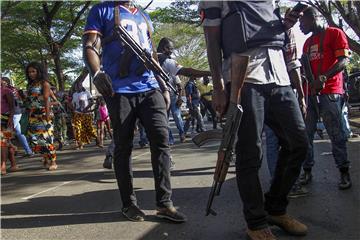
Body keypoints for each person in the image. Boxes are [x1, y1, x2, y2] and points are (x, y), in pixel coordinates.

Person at [199, 1, 309, 239]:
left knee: (298, 143)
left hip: (279, 76)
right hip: (244, 77)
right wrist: (218, 85)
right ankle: (256, 222)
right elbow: (212, 40)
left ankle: (275, 209)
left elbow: (274, 36)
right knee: (250, 153)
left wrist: (284, 25)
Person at [83, 0, 187, 223]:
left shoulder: (143, 15)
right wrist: (97, 73)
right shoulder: (102, 10)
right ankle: (129, 204)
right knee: (123, 146)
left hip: (150, 87)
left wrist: (162, 84)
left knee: (161, 140)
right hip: (118, 90)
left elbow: (152, 56)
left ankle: (164, 204)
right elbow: (90, 45)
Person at [299, 7, 351, 190]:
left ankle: (344, 172)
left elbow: (343, 61)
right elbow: (304, 67)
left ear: (313, 18)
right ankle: (307, 171)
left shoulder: (335, 33)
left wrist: (323, 78)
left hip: (330, 92)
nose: (300, 26)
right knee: (306, 134)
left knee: (336, 134)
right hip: (310, 95)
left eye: (302, 22)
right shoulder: (307, 43)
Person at [157, 37, 211, 143]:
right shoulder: (166, 61)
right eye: (171, 49)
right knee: (166, 121)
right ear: (165, 48)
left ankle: (168, 141)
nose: (172, 51)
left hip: (151, 95)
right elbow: (187, 71)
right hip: (163, 96)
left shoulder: (150, 57)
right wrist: (210, 72)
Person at [25, 62, 57, 171]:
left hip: (43, 115)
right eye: (29, 72)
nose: (31, 74)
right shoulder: (30, 85)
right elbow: (30, 100)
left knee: (46, 139)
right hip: (33, 115)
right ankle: (45, 158)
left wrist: (47, 116)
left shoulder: (45, 83)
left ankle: (53, 161)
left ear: (39, 71)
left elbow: (47, 100)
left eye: (33, 71)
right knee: (34, 139)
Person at [2, 77, 34, 157]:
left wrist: (10, 116)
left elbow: (12, 103)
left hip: (12, 114)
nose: (2, 83)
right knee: (18, 132)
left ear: (6, 82)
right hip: (15, 113)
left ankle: (13, 150)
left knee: (8, 134)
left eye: (3, 82)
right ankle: (28, 150)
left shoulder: (8, 90)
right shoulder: (12, 89)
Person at [71, 83, 97, 149]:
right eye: (76, 87)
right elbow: (73, 104)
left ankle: (97, 138)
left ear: (81, 86)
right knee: (77, 128)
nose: (77, 87)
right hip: (77, 114)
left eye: (78, 86)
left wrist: (86, 108)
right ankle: (80, 144)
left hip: (86, 114)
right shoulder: (74, 94)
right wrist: (74, 109)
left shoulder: (86, 93)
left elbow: (92, 102)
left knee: (90, 129)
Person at [1, 77, 18, 175]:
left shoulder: (6, 91)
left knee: (3, 142)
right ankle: (13, 164)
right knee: (7, 142)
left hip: (5, 120)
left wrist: (11, 119)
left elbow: (12, 106)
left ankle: (3, 165)